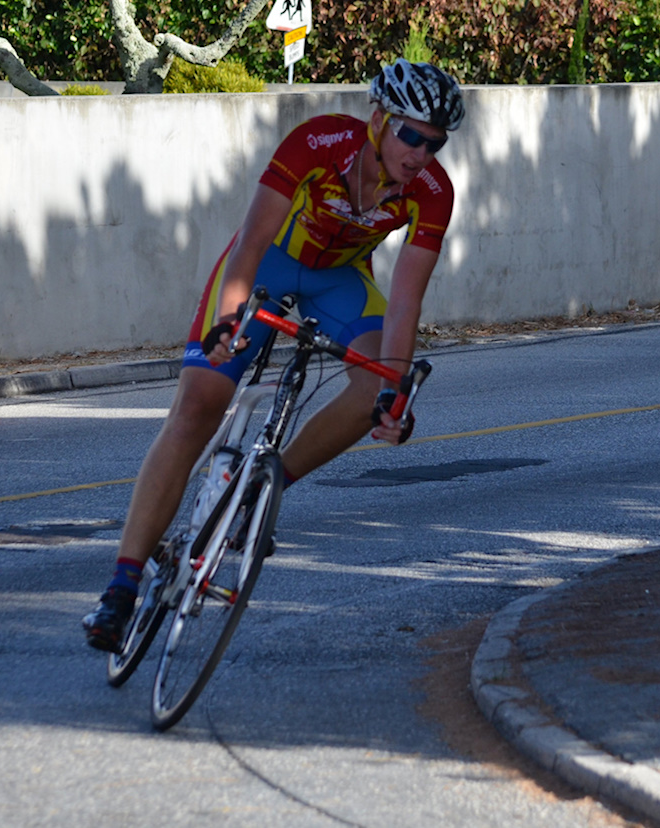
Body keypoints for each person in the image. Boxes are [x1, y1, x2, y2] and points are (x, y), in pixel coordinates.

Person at [83, 59, 463, 650]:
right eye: (410, 135)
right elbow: (253, 240)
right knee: (200, 403)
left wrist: (392, 393)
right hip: (267, 266)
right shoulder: (318, 143)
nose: (420, 153)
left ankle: (262, 490)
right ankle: (120, 589)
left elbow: (406, 302)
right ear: (380, 120)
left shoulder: (433, 193)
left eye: (434, 143)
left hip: (339, 280)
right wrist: (232, 318)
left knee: (371, 390)